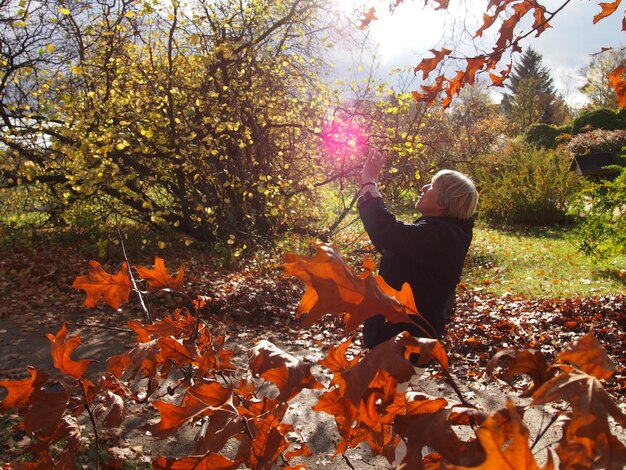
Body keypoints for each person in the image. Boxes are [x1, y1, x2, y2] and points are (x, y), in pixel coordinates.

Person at [358, 149, 478, 350]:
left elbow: (388, 232)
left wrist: (369, 183)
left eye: (432, 185)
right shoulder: (442, 233)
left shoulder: (442, 236)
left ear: (444, 200)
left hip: (402, 344)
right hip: (399, 339)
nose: (424, 188)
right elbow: (392, 244)